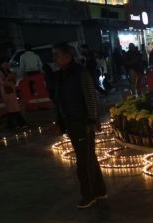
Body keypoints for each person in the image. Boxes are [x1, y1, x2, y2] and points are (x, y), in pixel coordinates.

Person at [51, 42, 107, 209]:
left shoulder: (80, 73)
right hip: (72, 122)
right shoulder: (62, 75)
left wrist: (92, 120)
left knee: (84, 161)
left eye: (57, 55)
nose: (54, 59)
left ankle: (89, 195)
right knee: (88, 158)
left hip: (83, 123)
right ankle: (100, 191)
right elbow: (61, 100)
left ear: (68, 56)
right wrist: (60, 122)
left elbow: (90, 97)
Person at [0, 60, 26, 129]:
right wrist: (8, 77)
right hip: (6, 91)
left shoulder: (9, 71)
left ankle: (13, 123)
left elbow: (14, 82)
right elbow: (2, 83)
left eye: (7, 64)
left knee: (13, 107)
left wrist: (13, 77)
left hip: (12, 90)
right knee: (12, 107)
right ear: (1, 65)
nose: (6, 65)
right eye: (4, 64)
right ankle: (18, 123)